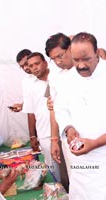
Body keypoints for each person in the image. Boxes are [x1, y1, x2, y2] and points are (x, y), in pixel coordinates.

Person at [54, 32, 106, 199]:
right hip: (82, 163)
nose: (81, 65)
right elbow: (61, 109)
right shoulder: (68, 79)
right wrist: (69, 129)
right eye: (76, 60)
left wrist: (95, 143)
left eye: (86, 59)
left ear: (97, 53)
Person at [22, 52, 61, 182]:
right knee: (54, 169)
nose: (34, 68)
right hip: (45, 134)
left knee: (73, 166)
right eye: (31, 66)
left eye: (37, 64)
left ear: (45, 62)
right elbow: (31, 112)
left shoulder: (58, 76)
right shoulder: (30, 86)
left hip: (65, 130)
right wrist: (32, 136)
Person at [45, 32, 73, 192]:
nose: (58, 62)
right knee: (75, 178)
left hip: (95, 138)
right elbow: (53, 110)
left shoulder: (86, 69)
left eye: (60, 56)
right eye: (53, 59)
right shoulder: (55, 77)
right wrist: (54, 140)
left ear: (70, 48)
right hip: (68, 139)